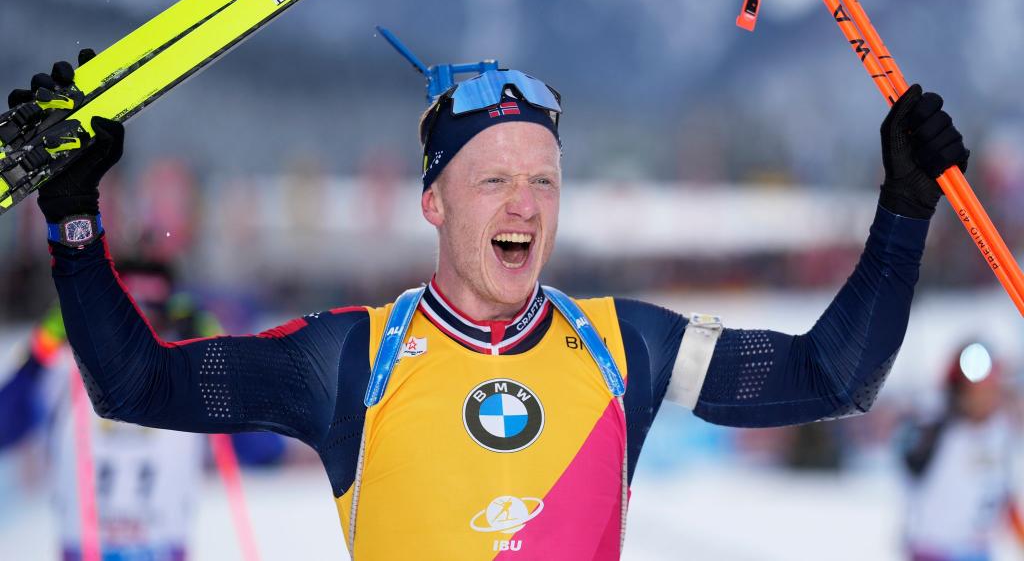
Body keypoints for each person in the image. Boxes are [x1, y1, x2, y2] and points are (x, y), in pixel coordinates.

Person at [11, 53, 969, 559]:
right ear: (433, 201)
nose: (524, 205)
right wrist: (74, 226)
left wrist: (904, 211)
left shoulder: (620, 345)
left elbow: (832, 376)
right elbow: (137, 383)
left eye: (544, 181)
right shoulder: (350, 360)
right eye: (494, 180)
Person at [0, 255, 283, 561]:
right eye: (128, 305)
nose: (138, 322)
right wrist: (40, 351)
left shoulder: (188, 375)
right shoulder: (64, 369)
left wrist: (219, 358)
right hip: (84, 551)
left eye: (152, 308)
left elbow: (263, 449)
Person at [901, 343, 1024, 561]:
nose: (985, 398)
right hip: (933, 550)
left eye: (990, 389)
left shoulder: (1000, 435)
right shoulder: (940, 429)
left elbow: (1004, 494)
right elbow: (909, 466)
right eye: (977, 391)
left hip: (976, 552)